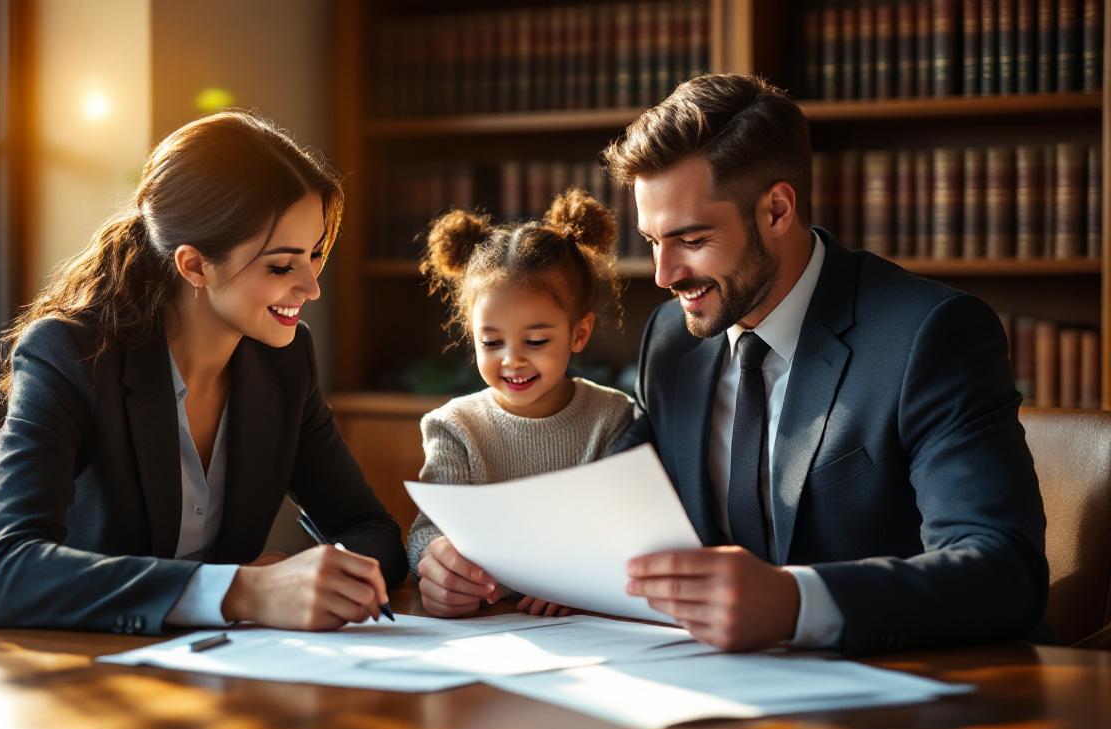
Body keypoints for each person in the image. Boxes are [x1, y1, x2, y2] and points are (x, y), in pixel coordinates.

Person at [599, 73, 1046, 655]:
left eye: (692, 239)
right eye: (652, 241)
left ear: (777, 210)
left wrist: (795, 602)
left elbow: (1003, 570)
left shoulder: (931, 335)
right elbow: (613, 493)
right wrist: (499, 564)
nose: (664, 275)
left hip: (911, 682)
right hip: (712, 681)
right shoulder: (672, 339)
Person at [0, 110, 406, 635]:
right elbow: (5, 573)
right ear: (195, 265)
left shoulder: (286, 361)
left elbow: (369, 529)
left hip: (224, 663)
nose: (311, 287)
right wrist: (243, 590)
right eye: (280, 265)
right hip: (83, 666)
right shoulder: (70, 353)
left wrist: (316, 578)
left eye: (314, 255)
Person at [408, 189, 634, 618]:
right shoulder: (453, 425)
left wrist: (586, 573)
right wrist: (435, 564)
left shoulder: (613, 417)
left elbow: (626, 528)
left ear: (579, 333)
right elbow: (428, 531)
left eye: (536, 341)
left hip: (585, 623)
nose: (512, 360)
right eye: (492, 342)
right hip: (484, 622)